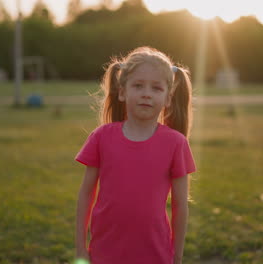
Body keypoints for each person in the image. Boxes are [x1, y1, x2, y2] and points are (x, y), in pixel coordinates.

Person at [75, 46, 196, 264]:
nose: (146, 93)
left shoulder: (176, 143)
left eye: (156, 88)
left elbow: (180, 206)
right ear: (122, 92)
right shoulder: (101, 137)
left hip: (155, 253)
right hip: (104, 252)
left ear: (168, 98)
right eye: (138, 85)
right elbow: (86, 195)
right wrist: (80, 249)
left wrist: (176, 257)